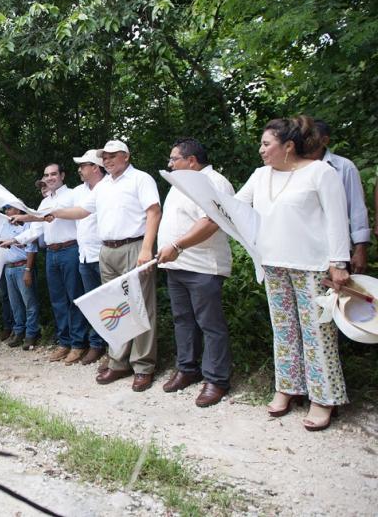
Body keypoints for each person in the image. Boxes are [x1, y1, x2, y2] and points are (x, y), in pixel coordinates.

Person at [235, 115, 350, 431]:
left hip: (312, 266)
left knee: (317, 333)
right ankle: (288, 387)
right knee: (284, 330)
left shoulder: (319, 173)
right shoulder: (259, 176)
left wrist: (339, 263)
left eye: (266, 143)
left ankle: (323, 398)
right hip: (273, 263)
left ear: (288, 146)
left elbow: (337, 221)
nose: (261, 149)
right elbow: (234, 209)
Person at [47, 140, 161, 391]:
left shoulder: (141, 179)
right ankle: (118, 361)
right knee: (114, 306)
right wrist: (54, 212)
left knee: (140, 305)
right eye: (104, 157)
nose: (107, 161)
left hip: (135, 246)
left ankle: (143, 366)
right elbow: (81, 211)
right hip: (107, 250)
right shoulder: (103, 186)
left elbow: (154, 212)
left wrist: (146, 249)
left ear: (126, 157)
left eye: (112, 156)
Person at [156, 138, 234, 407]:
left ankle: (216, 379)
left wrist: (177, 245)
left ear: (191, 160)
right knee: (182, 320)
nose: (169, 164)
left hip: (203, 266)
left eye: (173, 159)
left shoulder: (213, 182)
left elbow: (211, 222)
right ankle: (187, 368)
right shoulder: (182, 183)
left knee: (209, 323)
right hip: (176, 265)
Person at [1, 163, 88, 365]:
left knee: (74, 298)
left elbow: (83, 219)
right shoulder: (43, 203)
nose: (50, 178)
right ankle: (64, 342)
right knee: (57, 300)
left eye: (54, 174)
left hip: (70, 250)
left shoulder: (73, 195)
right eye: (47, 175)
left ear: (62, 176)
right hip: (51, 253)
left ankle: (78, 344)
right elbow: (36, 230)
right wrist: (14, 241)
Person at [310, 119, 370, 274]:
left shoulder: (344, 167)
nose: (305, 140)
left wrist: (360, 248)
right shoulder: (293, 169)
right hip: (306, 251)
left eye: (311, 136)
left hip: (337, 252)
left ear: (324, 140)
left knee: (338, 297)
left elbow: (356, 209)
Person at [70, 149, 107, 365]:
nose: (80, 169)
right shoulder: (77, 192)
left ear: (95, 167)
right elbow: (63, 212)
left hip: (105, 254)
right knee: (92, 304)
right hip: (84, 256)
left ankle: (115, 349)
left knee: (112, 303)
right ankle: (96, 344)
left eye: (83, 165)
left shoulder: (109, 188)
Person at [0, 205, 40, 349]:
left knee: (29, 302)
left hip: (22, 266)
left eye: (9, 208)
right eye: (5, 209)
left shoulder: (28, 224)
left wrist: (28, 269)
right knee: (15, 304)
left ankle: (31, 334)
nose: (6, 212)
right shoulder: (5, 226)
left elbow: (32, 248)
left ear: (18, 210)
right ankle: (19, 331)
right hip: (9, 267)